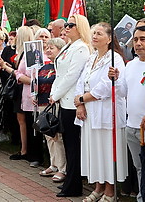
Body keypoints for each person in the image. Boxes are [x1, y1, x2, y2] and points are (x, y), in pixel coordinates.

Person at [109, 25, 145, 202]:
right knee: (140, 168)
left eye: (143, 39)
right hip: (131, 126)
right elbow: (123, 92)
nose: (138, 43)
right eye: (135, 40)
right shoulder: (130, 65)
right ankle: (143, 197)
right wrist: (116, 80)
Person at [75, 22, 128, 201]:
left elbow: (107, 86)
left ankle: (110, 191)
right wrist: (80, 104)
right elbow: (81, 81)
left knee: (107, 151)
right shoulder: (92, 57)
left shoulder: (115, 59)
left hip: (107, 113)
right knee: (94, 151)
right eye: (93, 33)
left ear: (109, 39)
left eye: (99, 33)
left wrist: (84, 98)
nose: (94, 36)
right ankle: (97, 187)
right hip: (90, 113)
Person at [50, 15, 92, 197]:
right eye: (66, 25)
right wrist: (55, 93)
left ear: (80, 27)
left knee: (73, 145)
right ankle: (70, 179)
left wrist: (55, 94)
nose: (66, 28)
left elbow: (72, 76)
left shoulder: (81, 48)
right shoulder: (69, 46)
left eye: (70, 25)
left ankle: (74, 185)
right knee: (68, 143)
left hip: (72, 102)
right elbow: (59, 73)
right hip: (64, 100)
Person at [0, 26, 43, 166]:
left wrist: (15, 73)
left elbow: (31, 76)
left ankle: (35, 154)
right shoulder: (24, 52)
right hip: (24, 92)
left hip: (31, 92)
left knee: (32, 124)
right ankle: (27, 151)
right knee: (26, 122)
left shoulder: (31, 52)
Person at [37, 38, 67, 183]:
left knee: (57, 136)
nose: (48, 50)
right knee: (48, 135)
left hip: (56, 103)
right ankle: (53, 164)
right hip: (43, 102)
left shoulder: (61, 66)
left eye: (52, 48)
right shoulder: (44, 66)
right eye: (47, 48)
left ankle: (63, 168)